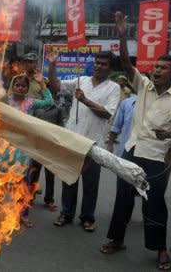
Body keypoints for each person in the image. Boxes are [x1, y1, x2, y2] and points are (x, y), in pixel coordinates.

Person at [101, 12, 171, 271]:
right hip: (131, 151)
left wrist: (170, 135)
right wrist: (122, 34)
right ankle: (118, 239)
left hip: (155, 158)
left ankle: (161, 249)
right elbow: (127, 66)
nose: (156, 71)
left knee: (154, 205)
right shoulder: (143, 85)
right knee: (123, 198)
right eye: (156, 68)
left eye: (163, 68)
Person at [48, 49, 120, 232]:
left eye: (103, 64)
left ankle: (87, 218)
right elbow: (56, 86)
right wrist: (53, 64)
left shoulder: (114, 88)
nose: (98, 66)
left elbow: (107, 113)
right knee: (69, 180)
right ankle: (66, 213)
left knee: (90, 184)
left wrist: (85, 100)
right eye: (97, 62)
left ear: (110, 68)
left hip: (94, 144)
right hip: (72, 140)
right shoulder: (81, 81)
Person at [2, 72, 55, 227]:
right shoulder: (6, 100)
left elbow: (49, 102)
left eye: (23, 86)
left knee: (23, 183)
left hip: (23, 150)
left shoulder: (30, 102)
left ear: (27, 88)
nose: (20, 88)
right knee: (3, 182)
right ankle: (3, 213)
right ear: (12, 86)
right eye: (17, 85)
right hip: (4, 148)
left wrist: (42, 85)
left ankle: (23, 214)